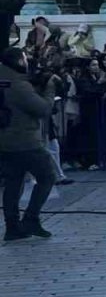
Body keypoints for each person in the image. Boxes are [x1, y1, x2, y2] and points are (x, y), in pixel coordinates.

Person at [0, 47, 62, 241]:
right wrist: (50, 88)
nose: (27, 62)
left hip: (5, 140)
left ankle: (12, 226)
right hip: (25, 140)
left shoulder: (4, 80)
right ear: (19, 62)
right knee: (47, 176)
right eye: (25, 59)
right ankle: (31, 219)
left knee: (13, 181)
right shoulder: (18, 85)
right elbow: (42, 108)